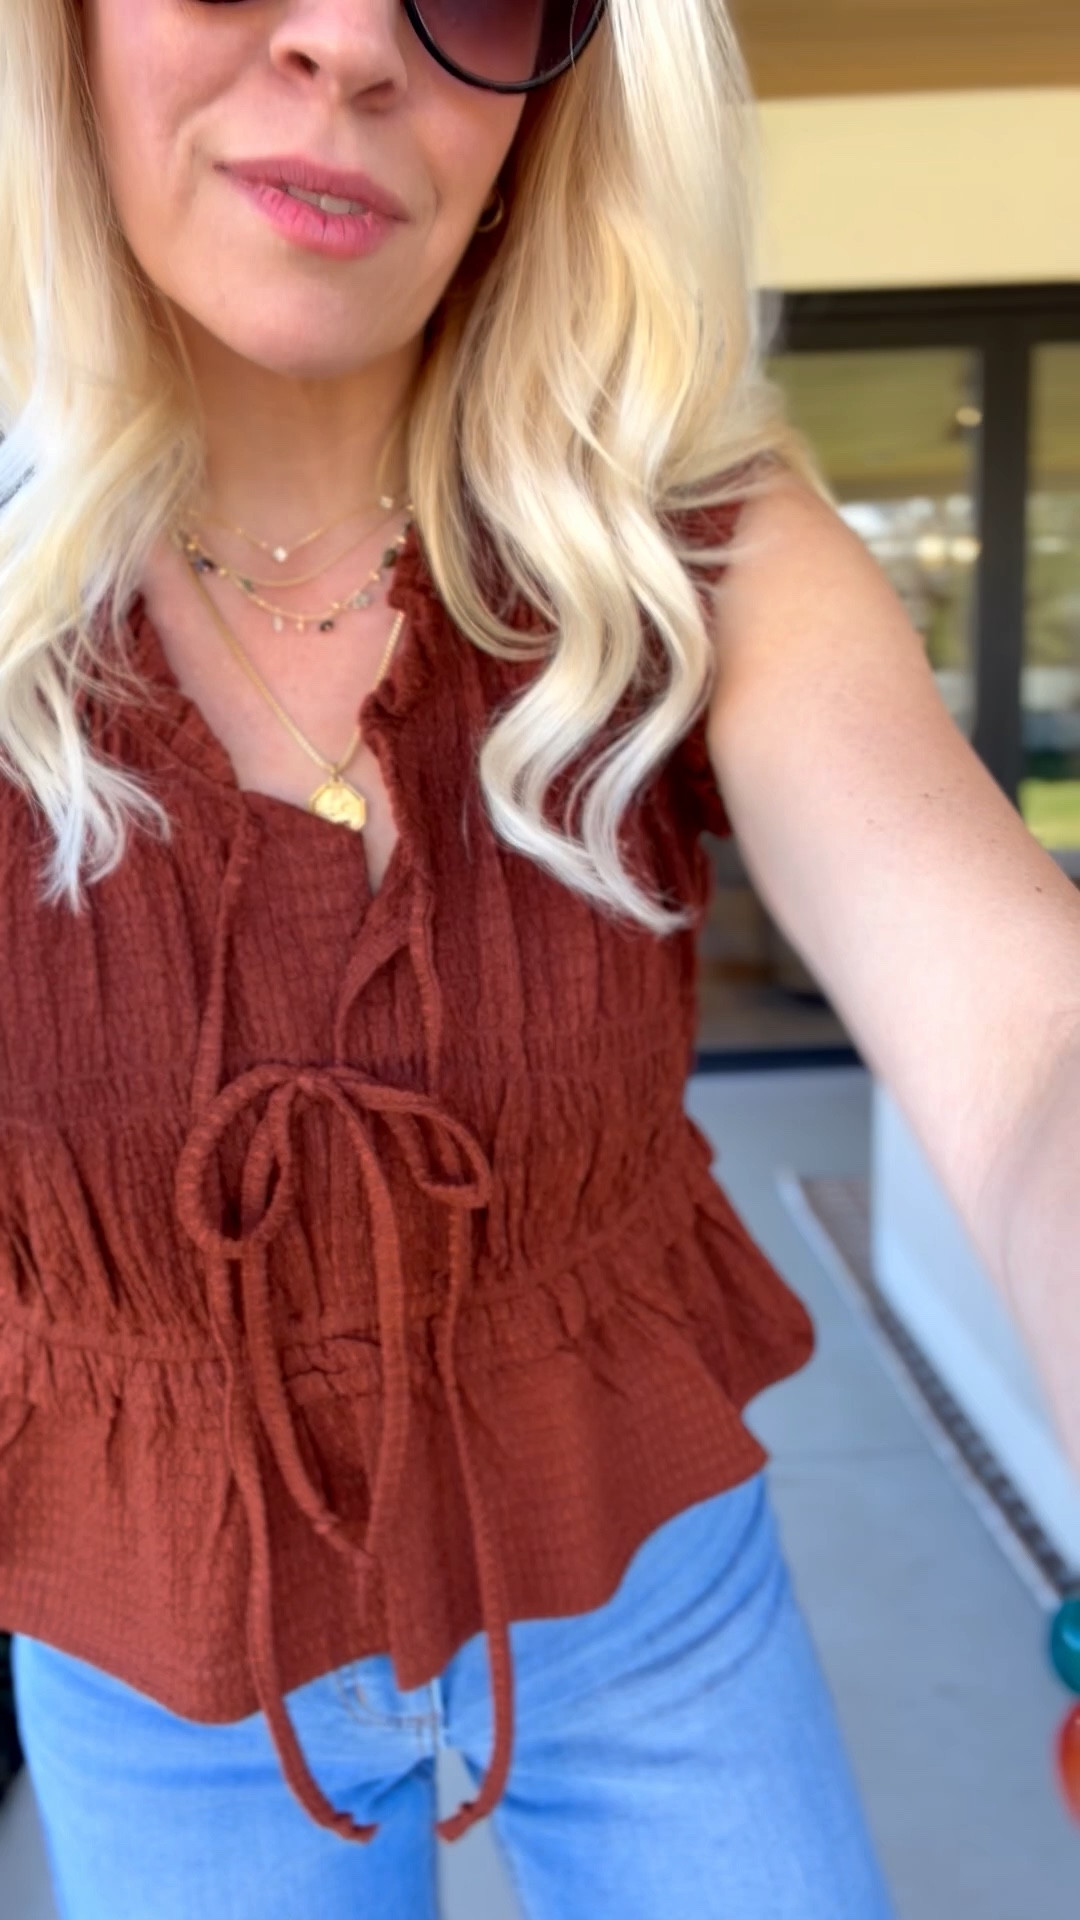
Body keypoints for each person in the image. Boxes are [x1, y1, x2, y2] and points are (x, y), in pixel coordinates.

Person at [1, 3, 1078, 1916]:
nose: (349, 42)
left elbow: (1027, 1038)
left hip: (648, 1574)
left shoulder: (687, 545)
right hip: (154, 1646)